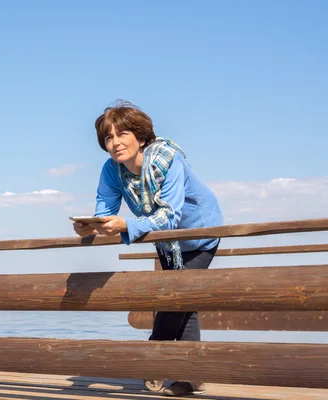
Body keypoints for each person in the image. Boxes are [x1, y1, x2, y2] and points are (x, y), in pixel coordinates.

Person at [73, 100, 223, 397]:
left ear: (140, 137)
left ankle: (152, 360)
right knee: (183, 303)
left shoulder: (167, 160)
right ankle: (192, 378)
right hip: (164, 239)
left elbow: (169, 216)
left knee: (174, 297)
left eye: (122, 135)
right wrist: (91, 225)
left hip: (199, 235)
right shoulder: (112, 170)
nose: (115, 143)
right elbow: (104, 209)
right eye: (108, 138)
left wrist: (126, 226)